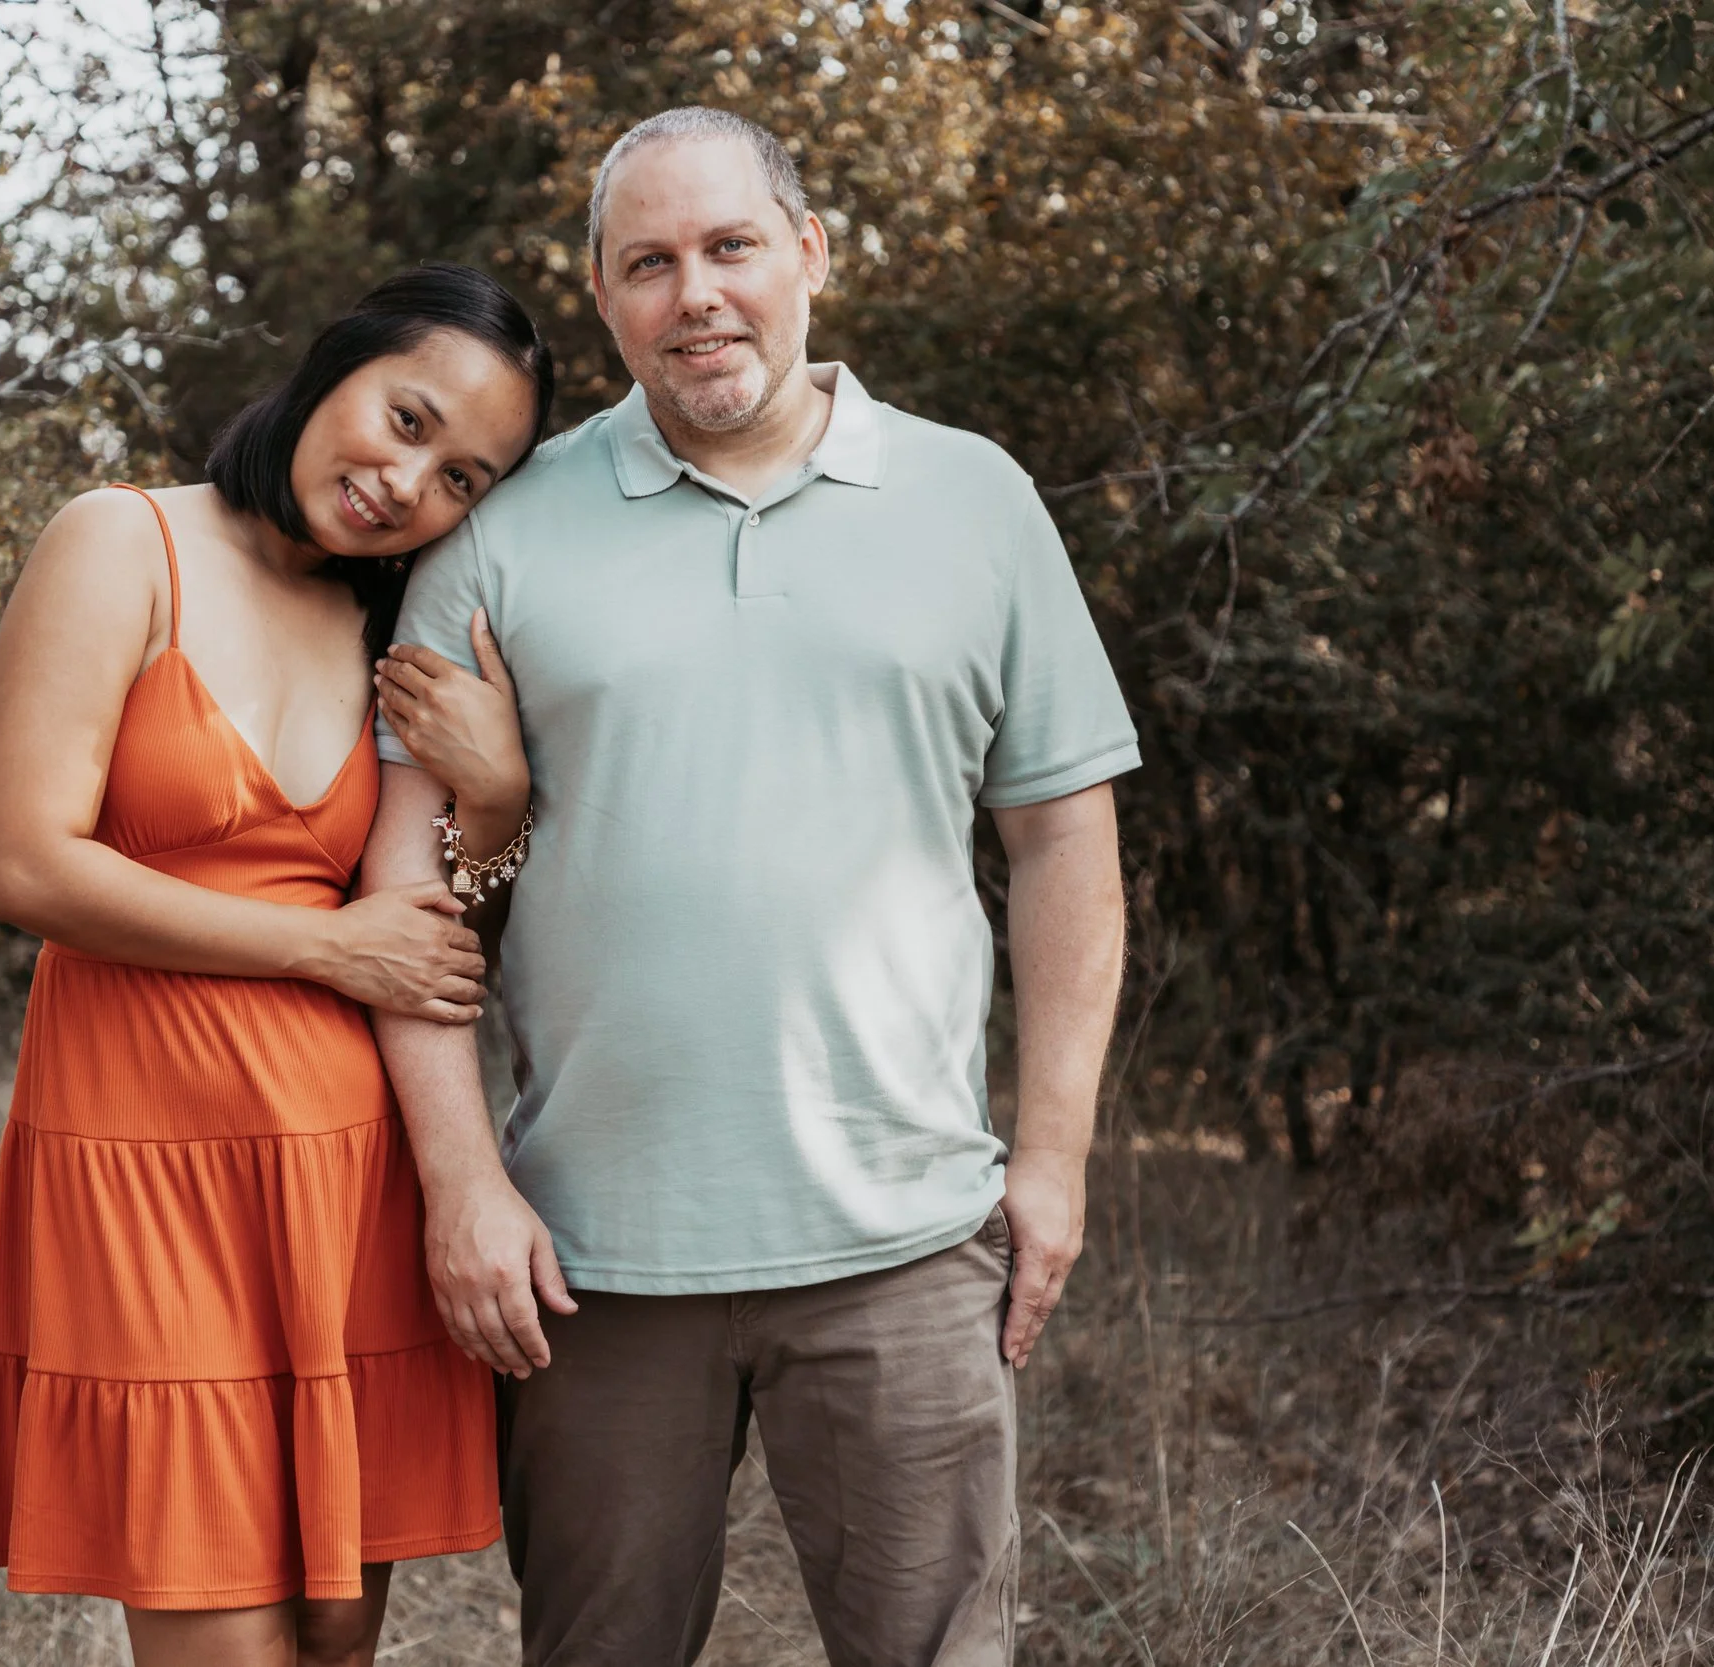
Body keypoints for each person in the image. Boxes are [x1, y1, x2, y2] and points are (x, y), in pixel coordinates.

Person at [367, 110, 1141, 1665]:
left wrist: (1050, 1159)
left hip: (906, 1244)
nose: (696, 295)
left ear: (810, 254)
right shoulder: (501, 538)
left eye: (730, 248)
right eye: (649, 264)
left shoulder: (975, 501)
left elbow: (1065, 845)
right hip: (590, 1263)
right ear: (603, 296)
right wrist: (462, 1183)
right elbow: (417, 901)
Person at [0, 264, 553, 1667]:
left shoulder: (384, 625)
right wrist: (320, 942)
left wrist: (503, 804)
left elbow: (433, 918)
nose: (410, 482)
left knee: (337, 1639)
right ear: (333, 359)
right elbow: (23, 864)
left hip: (343, 1170)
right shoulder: (122, 542)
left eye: (462, 476)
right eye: (405, 418)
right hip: (146, 1155)